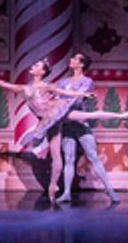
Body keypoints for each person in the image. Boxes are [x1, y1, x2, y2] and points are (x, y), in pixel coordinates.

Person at [0, 57, 128, 199]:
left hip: (56, 112)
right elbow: (5, 85)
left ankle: (121, 116)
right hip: (47, 120)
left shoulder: (47, 85)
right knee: (56, 154)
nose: (33, 67)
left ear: (42, 72)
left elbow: (63, 93)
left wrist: (83, 95)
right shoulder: (24, 88)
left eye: (37, 66)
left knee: (88, 116)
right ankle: (54, 186)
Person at [53, 53, 123, 205]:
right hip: (66, 123)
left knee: (93, 156)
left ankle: (110, 190)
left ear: (81, 64)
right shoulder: (63, 82)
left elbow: (75, 99)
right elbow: (56, 99)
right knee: (69, 159)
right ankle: (66, 193)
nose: (71, 60)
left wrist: (63, 100)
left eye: (75, 59)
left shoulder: (87, 81)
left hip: (80, 122)